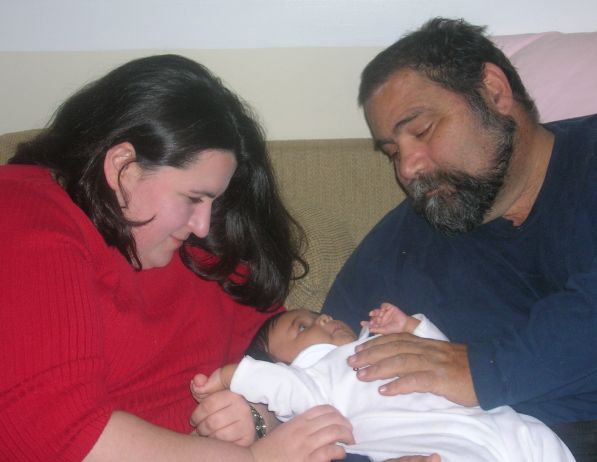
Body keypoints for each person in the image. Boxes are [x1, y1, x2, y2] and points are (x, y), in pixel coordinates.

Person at [0, 54, 355, 462]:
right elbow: (51, 433)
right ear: (123, 167)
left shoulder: (203, 253)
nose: (202, 225)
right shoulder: (25, 209)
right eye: (192, 198)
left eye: (212, 201)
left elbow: (307, 371)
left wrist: (261, 418)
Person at [320, 16, 597, 462]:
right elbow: (318, 372)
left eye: (422, 131)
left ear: (493, 91)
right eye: (392, 152)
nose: (407, 168)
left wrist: (482, 371)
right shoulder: (401, 245)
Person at [191, 304, 574, 462]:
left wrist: (412, 328)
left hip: (491, 421)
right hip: (434, 444)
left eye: (320, 315)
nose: (323, 320)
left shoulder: (371, 340)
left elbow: (442, 358)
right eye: (302, 328)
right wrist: (233, 375)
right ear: (283, 364)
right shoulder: (315, 381)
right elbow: (281, 388)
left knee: (542, 441)